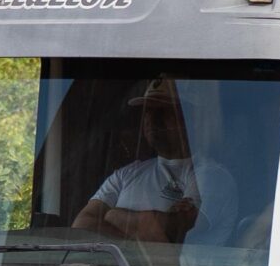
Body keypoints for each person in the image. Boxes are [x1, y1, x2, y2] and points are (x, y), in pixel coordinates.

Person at [73, 77, 237, 249]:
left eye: (163, 111)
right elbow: (83, 224)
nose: (152, 119)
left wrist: (114, 215)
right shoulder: (126, 174)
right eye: (148, 111)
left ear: (189, 118)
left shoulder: (213, 176)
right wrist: (135, 243)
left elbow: (173, 229)